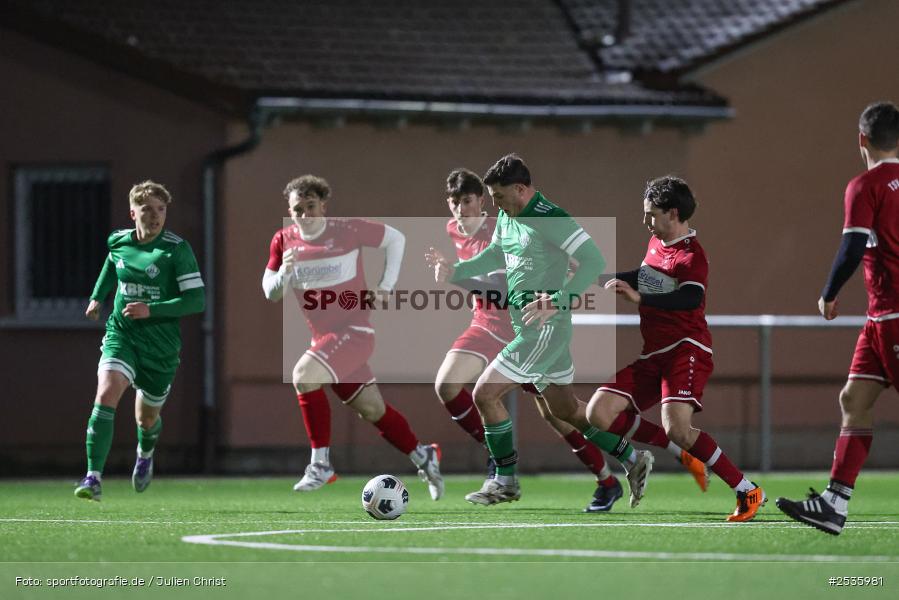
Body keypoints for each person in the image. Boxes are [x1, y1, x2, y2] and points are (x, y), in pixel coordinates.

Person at [427, 154, 653, 506]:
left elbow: (594, 260)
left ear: (520, 189)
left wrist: (558, 301)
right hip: (530, 325)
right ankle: (633, 458)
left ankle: (504, 479)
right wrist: (456, 270)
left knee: (484, 394)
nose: (495, 205)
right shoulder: (507, 214)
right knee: (566, 411)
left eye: (499, 196)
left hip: (544, 329)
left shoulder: (553, 218)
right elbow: (496, 254)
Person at [586, 176, 765, 522]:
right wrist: (600, 278)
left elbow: (691, 296)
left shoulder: (691, 255)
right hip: (653, 353)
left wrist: (640, 298)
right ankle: (643, 457)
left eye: (651, 215)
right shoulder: (656, 243)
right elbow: (645, 276)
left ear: (672, 213)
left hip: (687, 349)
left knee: (679, 430)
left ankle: (747, 490)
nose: (645, 222)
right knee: (598, 414)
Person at [262, 174, 444, 500]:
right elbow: (270, 293)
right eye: (297, 209)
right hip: (325, 341)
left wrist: (386, 286)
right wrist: (285, 274)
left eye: (310, 206)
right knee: (372, 410)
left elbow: (396, 239)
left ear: (323, 205)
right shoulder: (283, 240)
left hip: (354, 332)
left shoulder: (347, 229)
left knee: (303, 375)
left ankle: (321, 465)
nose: (304, 215)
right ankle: (423, 455)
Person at [776, 101, 899, 535]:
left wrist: (828, 293)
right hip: (879, 318)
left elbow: (851, 247)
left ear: (862, 140)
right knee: (854, 399)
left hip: (893, 313)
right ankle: (833, 504)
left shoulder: (866, 185)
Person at [75, 181, 206, 501]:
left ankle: (145, 452)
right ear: (133, 212)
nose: (155, 216)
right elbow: (111, 264)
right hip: (122, 335)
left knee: (146, 419)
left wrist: (153, 309)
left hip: (160, 347)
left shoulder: (176, 249)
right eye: (147, 209)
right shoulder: (119, 241)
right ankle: (93, 477)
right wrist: (97, 296)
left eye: (161, 209)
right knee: (106, 394)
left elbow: (197, 301)